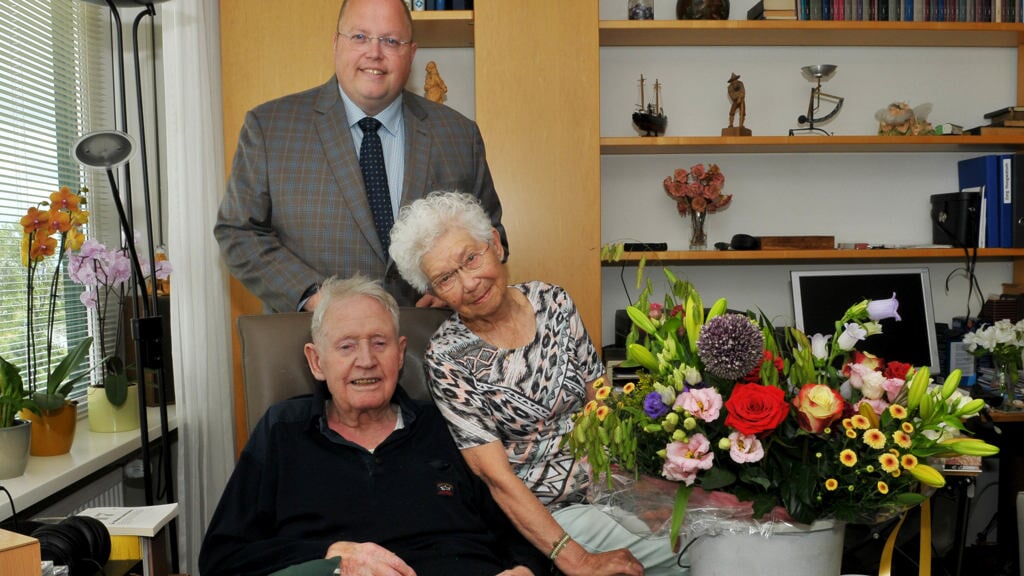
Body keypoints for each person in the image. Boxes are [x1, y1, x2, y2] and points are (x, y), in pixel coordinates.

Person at [389, 192, 681, 576]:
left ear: (494, 243)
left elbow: (602, 403)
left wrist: (646, 491)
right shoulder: (447, 358)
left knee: (720, 522)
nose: (470, 282)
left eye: (471, 259)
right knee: (695, 548)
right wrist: (576, 560)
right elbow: (496, 477)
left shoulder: (553, 301)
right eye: (446, 278)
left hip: (612, 488)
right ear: (434, 292)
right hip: (551, 515)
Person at [198, 274, 549, 576]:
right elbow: (222, 557)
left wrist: (524, 568)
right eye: (347, 346)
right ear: (316, 361)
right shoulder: (282, 431)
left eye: (379, 343)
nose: (366, 361)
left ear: (399, 355)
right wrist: (332, 555)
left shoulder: (447, 423)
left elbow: (521, 525)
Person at [214, 0, 507, 312]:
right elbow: (238, 232)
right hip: (315, 346)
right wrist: (315, 297)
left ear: (411, 53)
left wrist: (457, 284)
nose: (374, 52)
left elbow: (491, 231)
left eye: (391, 41)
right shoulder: (270, 128)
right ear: (336, 43)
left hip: (435, 343)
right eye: (359, 37)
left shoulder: (458, 135)